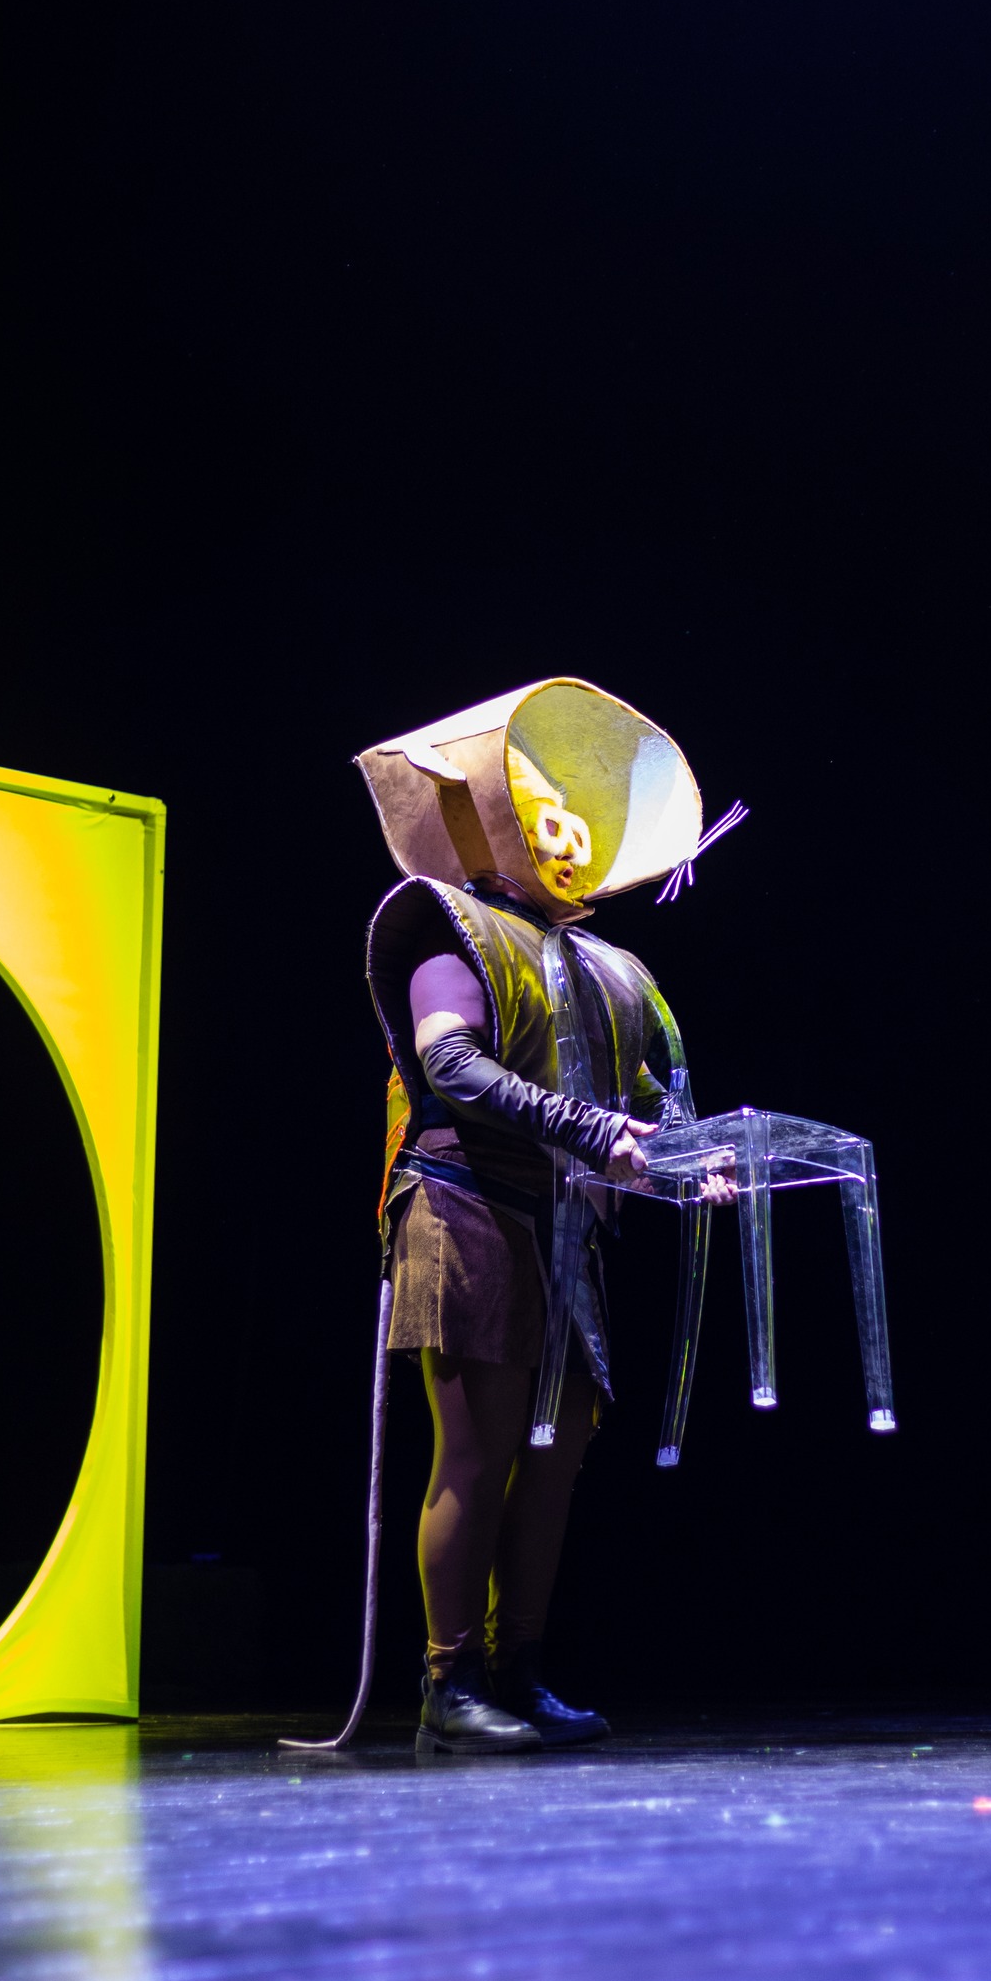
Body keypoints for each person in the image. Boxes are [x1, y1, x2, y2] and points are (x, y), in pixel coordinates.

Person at [358, 681, 726, 1753]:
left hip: (565, 1226)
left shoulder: (613, 970)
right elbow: (452, 1062)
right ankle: (449, 1681)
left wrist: (687, 1164)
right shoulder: (452, 925)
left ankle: (518, 1665)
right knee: (476, 1452)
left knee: (553, 1458)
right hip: (467, 1202)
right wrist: (591, 1129)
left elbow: (647, 1105)